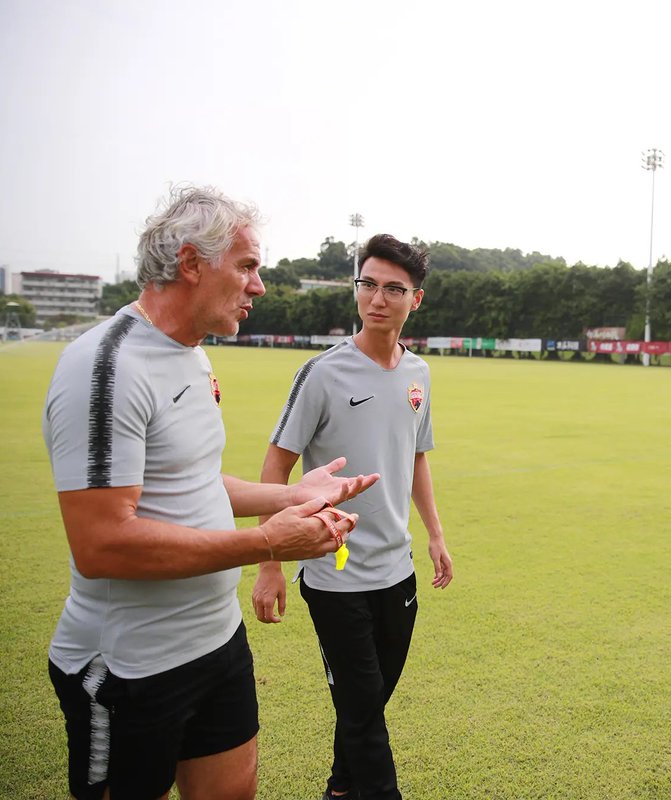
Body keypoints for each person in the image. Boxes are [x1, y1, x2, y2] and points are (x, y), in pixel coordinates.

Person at [42, 186, 377, 800]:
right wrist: (267, 545)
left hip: (217, 642)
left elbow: (188, 480)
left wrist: (286, 497)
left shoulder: (192, 356)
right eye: (248, 266)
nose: (260, 286)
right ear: (192, 263)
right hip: (129, 668)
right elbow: (102, 544)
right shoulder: (107, 366)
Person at [252, 233, 453, 800]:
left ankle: (340, 790)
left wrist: (435, 534)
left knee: (368, 703)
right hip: (335, 574)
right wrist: (270, 559)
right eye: (368, 284)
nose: (378, 298)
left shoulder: (420, 374)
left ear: (417, 299)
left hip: (399, 572)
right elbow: (277, 463)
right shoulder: (322, 374)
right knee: (364, 710)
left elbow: (415, 457)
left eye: (394, 288)